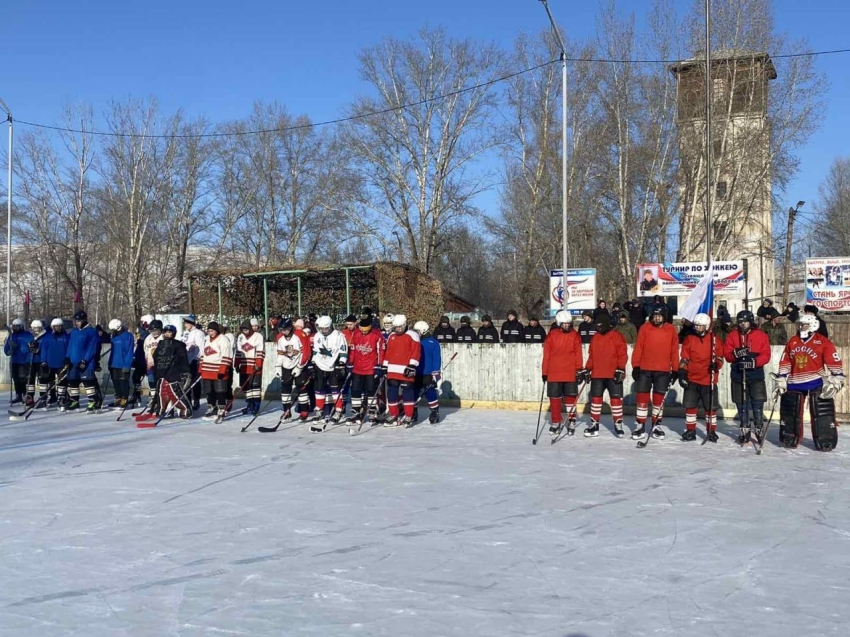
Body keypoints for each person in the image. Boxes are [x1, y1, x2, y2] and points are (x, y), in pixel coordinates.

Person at [774, 314, 845, 450]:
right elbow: (786, 360)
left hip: (816, 380)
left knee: (821, 413)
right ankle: (790, 437)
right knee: (791, 411)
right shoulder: (793, 341)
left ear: (813, 325)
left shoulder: (822, 341)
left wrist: (837, 377)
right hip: (795, 380)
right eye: (800, 324)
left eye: (804, 325)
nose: (801, 327)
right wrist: (782, 377)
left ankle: (825, 439)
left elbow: (833, 359)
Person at [630, 304, 679, 440]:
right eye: (655, 316)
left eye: (659, 316)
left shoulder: (671, 330)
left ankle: (656, 425)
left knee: (658, 399)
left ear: (664, 316)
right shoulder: (645, 328)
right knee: (642, 398)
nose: (657, 318)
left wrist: (675, 369)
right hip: (645, 369)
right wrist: (636, 366)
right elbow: (638, 347)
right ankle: (640, 425)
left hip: (663, 370)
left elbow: (674, 351)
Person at [723, 310, 771, 444]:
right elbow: (726, 354)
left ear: (751, 322)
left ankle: (759, 427)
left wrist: (754, 362)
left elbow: (766, 354)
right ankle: (744, 427)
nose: (742, 324)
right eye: (740, 322)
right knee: (741, 403)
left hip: (755, 374)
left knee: (757, 402)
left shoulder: (760, 335)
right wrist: (735, 354)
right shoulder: (733, 335)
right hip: (738, 374)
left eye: (745, 322)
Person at [678, 313, 724, 443]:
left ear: (707, 326)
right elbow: (685, 357)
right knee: (690, 406)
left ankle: (711, 431)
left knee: (710, 407)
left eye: (700, 326)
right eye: (696, 325)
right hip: (692, 378)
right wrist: (682, 371)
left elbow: (720, 357)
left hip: (708, 379)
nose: (697, 328)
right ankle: (690, 430)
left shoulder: (715, 340)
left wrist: (717, 365)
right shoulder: (690, 339)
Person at [582, 313, 627, 437]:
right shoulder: (595, 337)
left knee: (616, 400)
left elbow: (622, 354)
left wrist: (621, 369)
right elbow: (592, 356)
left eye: (601, 325)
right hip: (597, 374)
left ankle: (618, 424)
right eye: (597, 325)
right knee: (596, 400)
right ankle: (594, 425)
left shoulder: (616, 336)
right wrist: (587, 369)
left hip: (613, 374)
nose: (599, 327)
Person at [542, 310, 583, 436]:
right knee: (555, 399)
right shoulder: (552, 335)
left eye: (569, 323)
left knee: (571, 398)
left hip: (570, 372)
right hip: (554, 372)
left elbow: (578, 354)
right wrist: (545, 372)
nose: (567, 326)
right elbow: (547, 355)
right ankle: (556, 421)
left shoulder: (575, 335)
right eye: (564, 324)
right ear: (559, 323)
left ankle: (571, 420)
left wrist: (579, 369)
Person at [382, 314, 420, 427]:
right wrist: (385, 365)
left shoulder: (413, 335)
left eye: (400, 327)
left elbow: (416, 351)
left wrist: (412, 365)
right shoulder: (392, 336)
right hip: (392, 370)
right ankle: (394, 414)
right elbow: (388, 352)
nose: (398, 329)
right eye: (396, 327)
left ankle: (409, 415)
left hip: (406, 370)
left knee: (407, 392)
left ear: (404, 325)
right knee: (392, 393)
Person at [310, 315, 349, 427]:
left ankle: (338, 410)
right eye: (321, 329)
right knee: (319, 388)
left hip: (333, 365)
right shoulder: (318, 335)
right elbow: (316, 351)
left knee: (335, 389)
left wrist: (341, 363)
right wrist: (313, 363)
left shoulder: (338, 336)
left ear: (330, 326)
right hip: (320, 365)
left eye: (325, 329)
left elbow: (343, 351)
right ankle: (319, 410)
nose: (323, 331)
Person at [347, 317, 385, 425]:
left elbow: (380, 351)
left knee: (371, 391)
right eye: (361, 329)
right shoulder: (356, 334)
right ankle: (356, 413)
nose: (363, 332)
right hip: (357, 368)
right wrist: (350, 362)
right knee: (355, 390)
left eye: (365, 330)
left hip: (370, 369)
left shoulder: (376, 335)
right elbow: (353, 350)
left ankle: (372, 414)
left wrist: (379, 365)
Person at [65, 310, 102, 412]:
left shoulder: (91, 332)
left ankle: (93, 401)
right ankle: (74, 401)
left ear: (84, 320)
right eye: (75, 321)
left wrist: (85, 360)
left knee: (88, 382)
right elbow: (70, 346)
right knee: (72, 381)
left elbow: (92, 348)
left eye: (78, 321)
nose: (76, 323)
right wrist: (67, 357)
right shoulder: (74, 332)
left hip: (86, 363)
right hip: (73, 362)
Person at [152, 325, 193, 418]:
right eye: (166, 332)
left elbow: (183, 359)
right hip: (162, 372)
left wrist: (186, 372)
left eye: (169, 332)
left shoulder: (178, 345)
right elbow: (156, 359)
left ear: (173, 333)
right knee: (162, 392)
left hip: (173, 373)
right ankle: (164, 410)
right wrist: (156, 372)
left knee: (174, 393)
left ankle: (185, 409)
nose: (167, 334)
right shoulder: (160, 344)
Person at [275, 319, 311, 421]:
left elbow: (306, 352)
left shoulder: (300, 335)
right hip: (286, 366)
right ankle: (286, 412)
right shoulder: (280, 337)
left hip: (300, 366)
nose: (283, 332)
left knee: (301, 389)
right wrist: (278, 366)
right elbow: (280, 353)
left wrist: (299, 367)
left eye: (285, 329)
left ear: (290, 328)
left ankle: (304, 411)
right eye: (281, 329)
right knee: (285, 389)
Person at [199, 322, 234, 419]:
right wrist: (200, 367)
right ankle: (212, 407)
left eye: (212, 331)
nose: (210, 333)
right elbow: (203, 354)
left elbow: (227, 354)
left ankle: (222, 409)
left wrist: (223, 368)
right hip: (207, 369)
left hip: (218, 369)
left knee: (220, 390)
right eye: (209, 331)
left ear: (217, 330)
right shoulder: (206, 339)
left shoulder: (223, 339)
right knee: (209, 391)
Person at [413, 321, 442, 423]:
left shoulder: (433, 342)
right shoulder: (415, 341)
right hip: (416, 372)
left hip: (428, 373)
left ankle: (435, 412)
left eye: (417, 331)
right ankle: (413, 411)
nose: (416, 333)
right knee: (414, 392)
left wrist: (436, 373)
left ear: (423, 331)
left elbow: (436, 359)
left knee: (430, 392)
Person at [236, 319, 265, 416]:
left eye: (246, 330)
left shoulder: (258, 336)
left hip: (254, 366)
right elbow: (239, 351)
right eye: (243, 330)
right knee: (246, 387)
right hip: (244, 366)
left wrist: (258, 364)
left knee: (255, 387)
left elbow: (260, 351)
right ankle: (250, 404)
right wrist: (236, 364)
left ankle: (256, 405)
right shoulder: (240, 337)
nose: (245, 332)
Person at [39, 319, 69, 409]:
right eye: (55, 326)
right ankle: (45, 399)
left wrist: (68, 359)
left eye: (59, 326)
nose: (57, 328)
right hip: (49, 364)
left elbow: (69, 349)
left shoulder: (66, 337)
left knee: (62, 382)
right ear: (52, 327)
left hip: (61, 364)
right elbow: (44, 350)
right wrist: (43, 361)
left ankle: (61, 398)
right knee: (46, 381)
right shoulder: (47, 337)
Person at [107, 319, 135, 409]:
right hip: (114, 363)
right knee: (116, 382)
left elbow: (129, 351)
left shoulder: (127, 336)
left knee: (123, 382)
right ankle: (118, 398)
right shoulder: (114, 337)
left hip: (123, 363)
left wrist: (127, 364)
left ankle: (124, 398)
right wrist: (110, 363)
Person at [4, 318, 33, 404]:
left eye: (16, 327)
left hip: (24, 361)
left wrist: (20, 348)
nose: (14, 328)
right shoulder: (12, 336)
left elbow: (30, 347)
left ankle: (25, 395)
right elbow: (7, 348)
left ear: (21, 326)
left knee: (22, 379)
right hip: (14, 361)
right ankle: (18, 395)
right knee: (15, 379)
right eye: (13, 327)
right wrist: (9, 350)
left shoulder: (27, 335)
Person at [181, 314, 205, 410]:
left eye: (186, 323)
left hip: (194, 360)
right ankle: (188, 400)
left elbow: (200, 347)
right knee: (186, 382)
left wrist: (198, 359)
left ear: (191, 323)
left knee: (194, 381)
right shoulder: (185, 333)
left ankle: (196, 400)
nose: (185, 325)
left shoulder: (198, 333)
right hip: (185, 360)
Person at [143, 320, 164, 413]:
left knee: (161, 383)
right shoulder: (148, 338)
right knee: (151, 382)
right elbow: (146, 351)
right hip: (151, 364)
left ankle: (161, 402)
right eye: (152, 331)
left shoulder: (163, 337)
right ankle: (153, 400)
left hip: (161, 365)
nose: (154, 333)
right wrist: (147, 361)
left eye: (156, 330)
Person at [25, 320, 47, 407]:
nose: (36, 330)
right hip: (30, 361)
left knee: (42, 381)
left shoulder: (44, 337)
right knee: (30, 380)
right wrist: (29, 348)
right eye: (34, 328)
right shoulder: (29, 336)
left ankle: (43, 399)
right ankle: (29, 398)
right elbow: (24, 348)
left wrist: (38, 350)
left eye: (38, 328)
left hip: (40, 361)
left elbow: (46, 349)